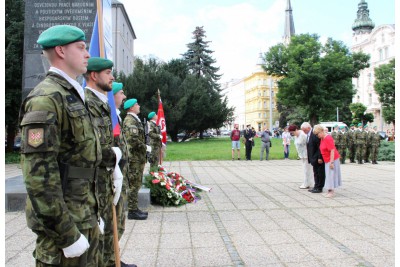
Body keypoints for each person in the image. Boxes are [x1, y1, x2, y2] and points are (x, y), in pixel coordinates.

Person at [19, 25, 101, 266]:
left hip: (84, 215)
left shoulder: (73, 94)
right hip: (66, 227)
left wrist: (95, 213)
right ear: (61, 51)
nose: (87, 54)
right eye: (81, 48)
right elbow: (38, 179)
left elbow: (81, 161)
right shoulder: (46, 98)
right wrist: (67, 235)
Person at [84, 59, 135, 267]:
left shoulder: (103, 106)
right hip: (98, 181)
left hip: (111, 176)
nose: (112, 78)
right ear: (94, 76)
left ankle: (112, 259)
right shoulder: (87, 103)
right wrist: (113, 156)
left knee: (115, 226)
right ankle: (108, 261)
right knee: (104, 229)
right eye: (107, 72)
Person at [112, 82, 135, 266]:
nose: (124, 96)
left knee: (119, 222)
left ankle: (114, 258)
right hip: (112, 176)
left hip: (121, 174)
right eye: (120, 93)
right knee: (113, 224)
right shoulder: (113, 117)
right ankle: (111, 260)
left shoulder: (117, 117)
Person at [123, 99, 150, 220]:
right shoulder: (130, 120)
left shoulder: (135, 120)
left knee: (137, 183)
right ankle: (132, 211)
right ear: (131, 108)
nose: (139, 106)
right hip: (134, 158)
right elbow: (132, 140)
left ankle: (134, 208)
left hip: (138, 158)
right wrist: (146, 148)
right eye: (137, 104)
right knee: (134, 184)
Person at [313, 124, 342, 198]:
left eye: (317, 134)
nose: (317, 136)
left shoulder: (328, 138)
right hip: (327, 159)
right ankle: (330, 190)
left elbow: (332, 150)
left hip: (331, 159)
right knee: (329, 175)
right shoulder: (322, 138)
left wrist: (331, 162)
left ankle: (331, 191)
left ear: (321, 131)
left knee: (330, 175)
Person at [301, 122, 325, 193]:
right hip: (313, 158)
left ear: (308, 128)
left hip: (317, 157)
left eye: (304, 130)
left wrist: (319, 157)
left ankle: (319, 187)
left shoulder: (314, 134)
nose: (303, 132)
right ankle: (316, 186)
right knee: (315, 172)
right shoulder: (309, 134)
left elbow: (320, 147)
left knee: (319, 173)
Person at [288, 125, 313, 189]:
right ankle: (308, 183)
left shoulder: (303, 135)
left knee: (307, 170)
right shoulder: (296, 136)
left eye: (292, 132)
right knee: (305, 170)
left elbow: (308, 144)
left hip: (306, 155)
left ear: (296, 130)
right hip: (302, 155)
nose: (292, 134)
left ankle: (306, 183)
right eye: (291, 133)